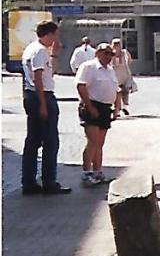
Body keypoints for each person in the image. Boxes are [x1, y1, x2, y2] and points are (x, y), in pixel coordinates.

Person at [21, 20, 71, 195]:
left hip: (33, 95)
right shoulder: (39, 50)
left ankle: (29, 182)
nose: (56, 39)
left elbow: (49, 74)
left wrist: (55, 54)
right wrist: (43, 103)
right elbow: (38, 77)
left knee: (33, 140)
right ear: (49, 34)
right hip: (41, 96)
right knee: (50, 141)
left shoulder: (33, 49)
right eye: (55, 35)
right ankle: (49, 182)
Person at [75, 42, 120, 186]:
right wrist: (89, 106)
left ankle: (98, 172)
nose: (109, 56)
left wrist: (117, 107)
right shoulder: (89, 67)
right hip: (92, 105)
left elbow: (115, 89)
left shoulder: (110, 70)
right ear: (97, 53)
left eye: (111, 54)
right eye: (106, 53)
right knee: (92, 141)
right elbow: (81, 86)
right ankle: (86, 172)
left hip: (106, 108)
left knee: (100, 143)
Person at [110, 38, 135, 116]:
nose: (117, 46)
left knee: (126, 91)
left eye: (118, 44)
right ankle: (117, 109)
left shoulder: (125, 53)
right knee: (117, 93)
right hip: (115, 76)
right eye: (115, 44)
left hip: (125, 74)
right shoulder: (110, 54)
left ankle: (125, 107)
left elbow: (129, 61)